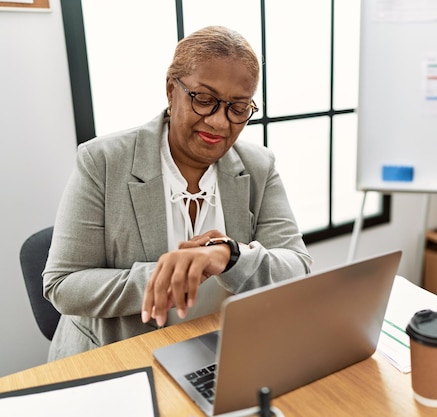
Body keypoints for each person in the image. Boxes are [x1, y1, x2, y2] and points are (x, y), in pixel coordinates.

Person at [43, 26, 312, 361]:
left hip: (219, 351)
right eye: (204, 100)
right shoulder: (103, 161)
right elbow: (62, 284)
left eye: (238, 107)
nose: (219, 122)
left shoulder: (258, 166)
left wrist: (230, 255)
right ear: (172, 90)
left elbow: (297, 266)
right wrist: (166, 277)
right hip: (116, 356)